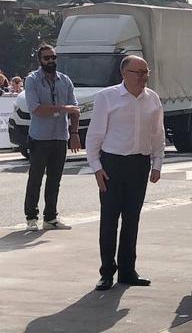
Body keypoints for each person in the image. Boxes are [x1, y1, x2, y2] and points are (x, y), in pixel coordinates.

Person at [86, 55, 165, 291]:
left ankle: (128, 270)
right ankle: (107, 272)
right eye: (138, 72)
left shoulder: (152, 99)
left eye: (146, 72)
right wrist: (96, 168)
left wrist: (157, 164)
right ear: (124, 74)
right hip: (112, 164)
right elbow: (95, 135)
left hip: (138, 164)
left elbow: (158, 134)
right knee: (110, 220)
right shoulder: (107, 97)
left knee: (132, 219)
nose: (143, 77)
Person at [23, 44, 81, 231]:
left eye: (53, 57)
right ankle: (31, 217)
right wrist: (63, 109)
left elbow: (75, 109)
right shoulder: (32, 80)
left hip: (60, 136)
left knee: (55, 179)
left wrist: (74, 134)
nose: (51, 61)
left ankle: (50, 218)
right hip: (40, 137)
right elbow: (36, 108)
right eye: (47, 58)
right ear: (40, 60)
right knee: (36, 178)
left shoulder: (64, 80)